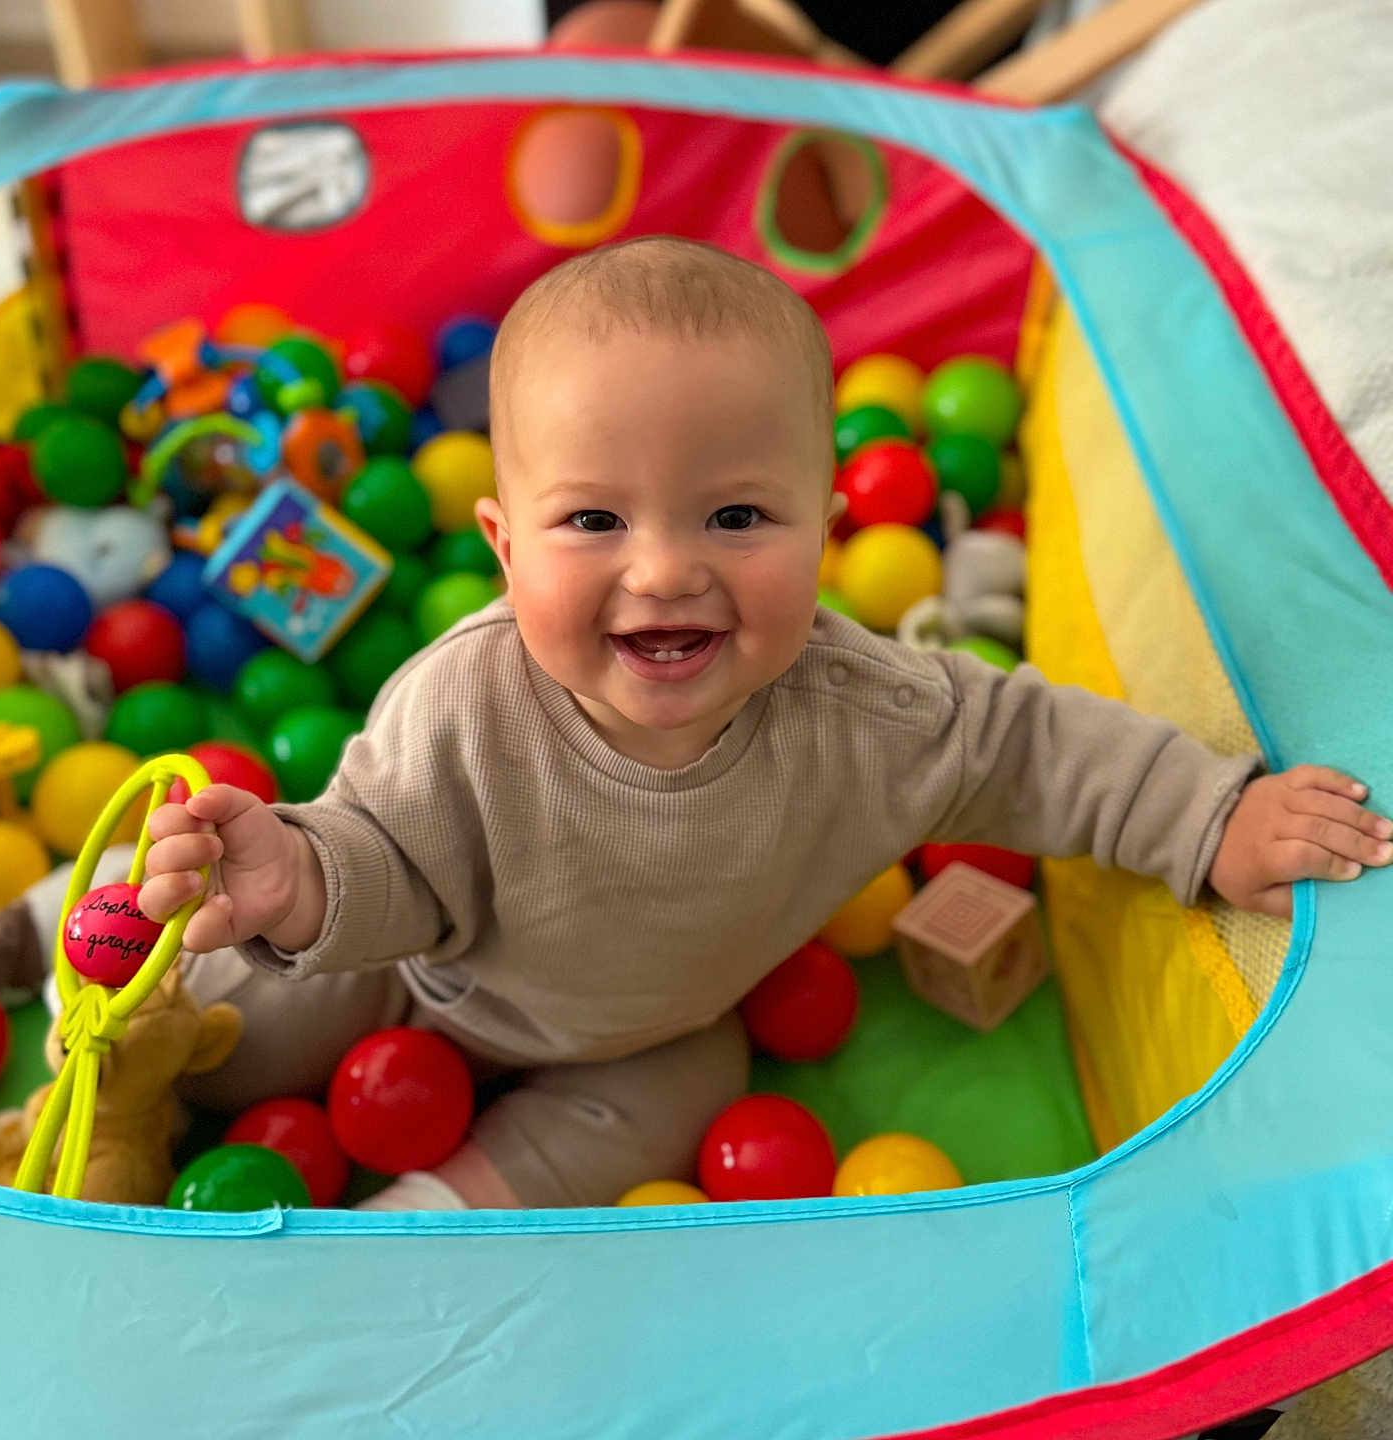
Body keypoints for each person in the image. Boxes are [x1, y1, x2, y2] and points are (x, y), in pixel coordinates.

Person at [131, 236, 1391, 1211]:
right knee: (247, 1025)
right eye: (594, 523)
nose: (668, 570)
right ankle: (38, 948)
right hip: (414, 979)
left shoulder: (868, 714)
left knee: (692, 1089)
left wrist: (1205, 816)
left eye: (736, 518)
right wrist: (297, 874)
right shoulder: (462, 709)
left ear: (827, 527)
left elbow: (1029, 747)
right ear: (504, 551)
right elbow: (388, 865)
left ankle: (425, 1216)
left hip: (645, 1035)